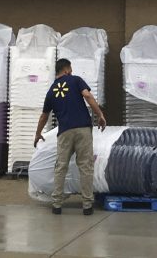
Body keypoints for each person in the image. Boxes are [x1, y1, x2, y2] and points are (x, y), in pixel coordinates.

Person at [34, 58, 107, 215]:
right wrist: (100, 114)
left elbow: (44, 116)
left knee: (61, 167)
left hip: (65, 132)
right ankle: (87, 205)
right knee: (85, 167)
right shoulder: (76, 80)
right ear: (66, 69)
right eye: (71, 70)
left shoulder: (51, 91)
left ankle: (57, 205)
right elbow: (87, 96)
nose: (71, 72)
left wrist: (38, 133)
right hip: (83, 129)